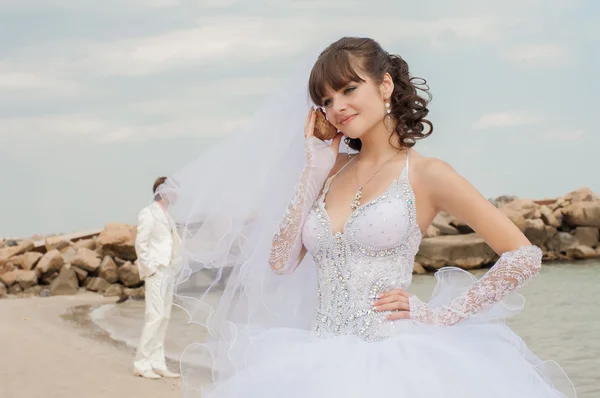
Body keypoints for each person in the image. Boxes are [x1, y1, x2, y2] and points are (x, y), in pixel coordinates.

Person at [157, 37, 575, 397]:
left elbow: (523, 255)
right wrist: (315, 167)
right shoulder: (328, 169)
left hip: (396, 360)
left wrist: (440, 314)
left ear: (385, 84)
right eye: (326, 100)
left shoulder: (428, 174)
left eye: (348, 89)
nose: (337, 107)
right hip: (318, 360)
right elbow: (280, 261)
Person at [133, 176, 181, 380]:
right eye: (173, 189)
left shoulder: (167, 215)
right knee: (154, 316)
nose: (177, 194)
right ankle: (141, 363)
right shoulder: (148, 213)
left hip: (168, 270)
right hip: (157, 271)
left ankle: (157, 362)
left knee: (164, 317)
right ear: (162, 191)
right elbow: (141, 243)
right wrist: (150, 269)